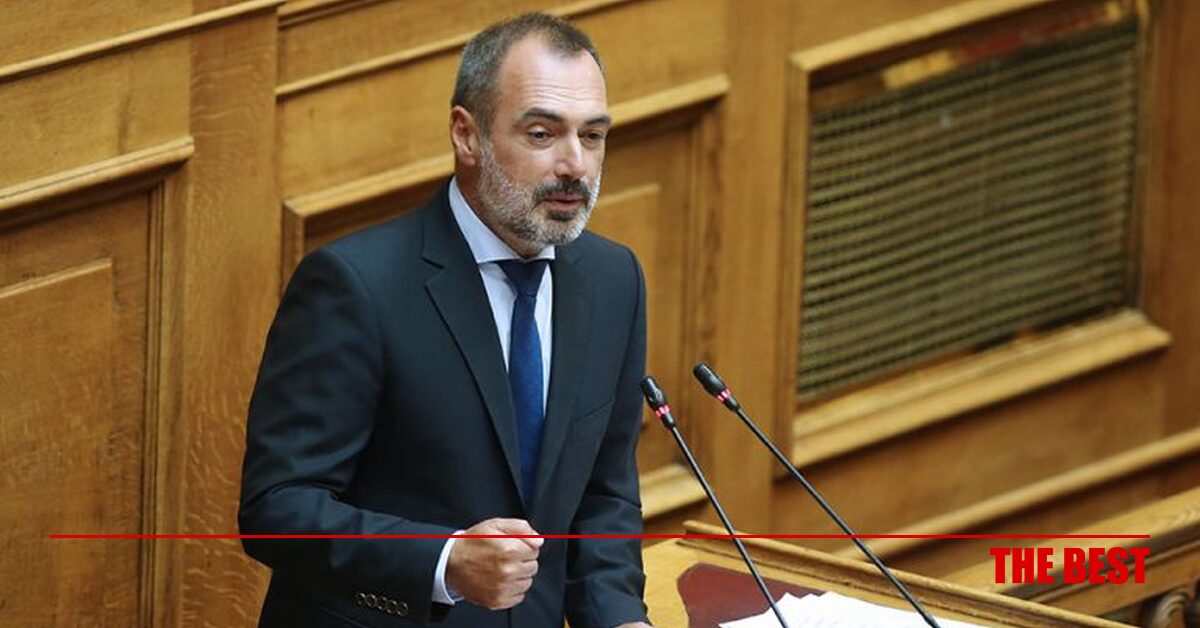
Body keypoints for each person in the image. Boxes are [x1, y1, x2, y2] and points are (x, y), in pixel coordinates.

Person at [238, 12, 653, 628]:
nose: (575, 165)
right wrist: (443, 560)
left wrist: (619, 618)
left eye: (592, 136)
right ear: (467, 135)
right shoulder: (357, 286)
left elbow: (604, 497)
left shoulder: (613, 280)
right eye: (542, 134)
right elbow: (277, 509)